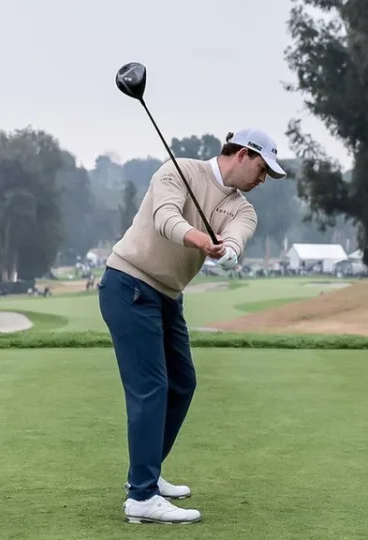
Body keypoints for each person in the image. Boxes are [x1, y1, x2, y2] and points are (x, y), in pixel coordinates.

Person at [98, 129, 285, 524]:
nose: (263, 178)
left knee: (183, 383)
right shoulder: (179, 170)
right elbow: (165, 218)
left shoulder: (243, 208)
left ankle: (144, 474)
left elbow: (237, 236)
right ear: (242, 154)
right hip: (129, 284)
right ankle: (142, 498)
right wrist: (201, 239)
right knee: (152, 386)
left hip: (167, 296)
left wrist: (227, 251)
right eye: (262, 168)